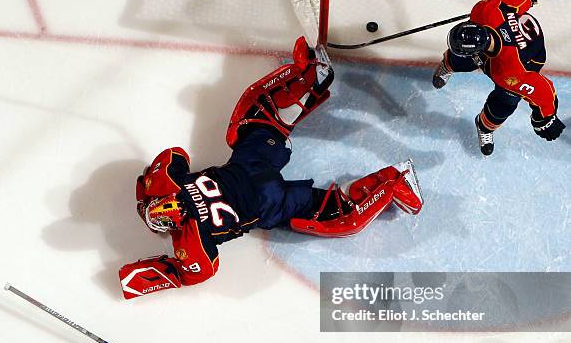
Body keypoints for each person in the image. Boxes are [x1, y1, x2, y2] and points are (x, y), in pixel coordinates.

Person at [119, 37, 423, 300]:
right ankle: (308, 76)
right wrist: (148, 186)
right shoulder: (174, 187)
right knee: (254, 122)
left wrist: (145, 274)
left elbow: (198, 273)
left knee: (334, 212)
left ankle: (394, 180)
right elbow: (175, 156)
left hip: (268, 202)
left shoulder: (190, 239)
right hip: (249, 167)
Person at [432, 0, 565, 155]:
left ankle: (484, 126)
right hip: (507, 47)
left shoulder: (512, 72)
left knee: (506, 102)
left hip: (528, 60)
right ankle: (449, 65)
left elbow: (544, 91)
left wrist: (545, 118)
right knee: (462, 58)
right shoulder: (485, 10)